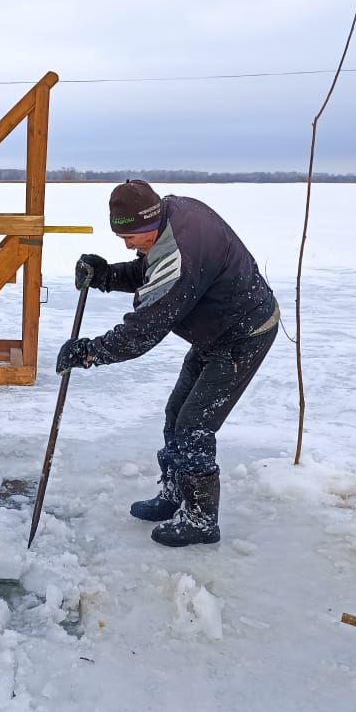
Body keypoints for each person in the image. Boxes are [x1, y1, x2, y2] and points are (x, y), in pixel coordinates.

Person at [56, 180, 279, 547]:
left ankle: (201, 520)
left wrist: (89, 352)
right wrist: (108, 275)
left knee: (194, 427)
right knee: (177, 413)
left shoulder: (183, 253)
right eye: (122, 237)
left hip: (244, 335)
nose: (127, 245)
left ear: (150, 221)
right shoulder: (167, 216)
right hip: (215, 330)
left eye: (131, 237)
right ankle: (174, 494)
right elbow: (151, 270)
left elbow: (142, 332)